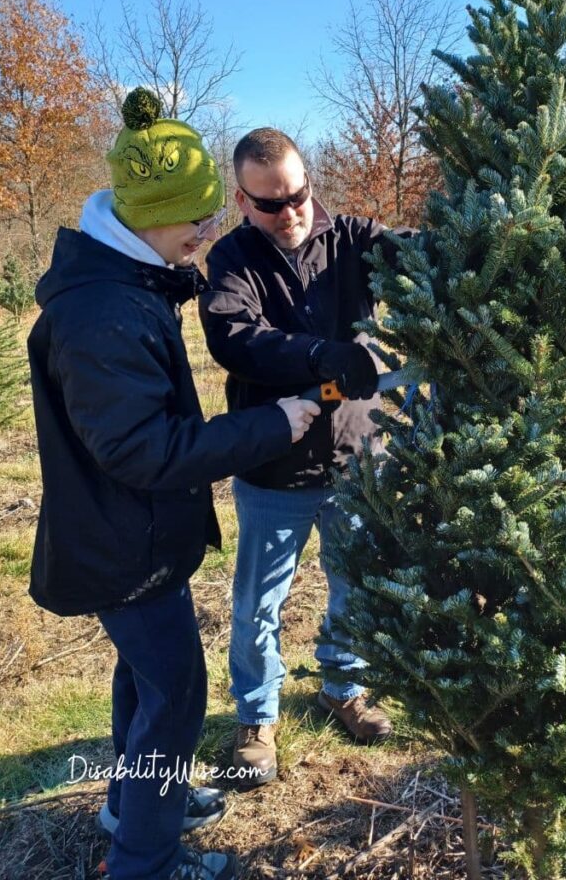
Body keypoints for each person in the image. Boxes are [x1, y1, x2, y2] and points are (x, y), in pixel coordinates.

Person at [28, 91, 320, 880]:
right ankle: (145, 862)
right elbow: (143, 448)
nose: (209, 232)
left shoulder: (126, 285)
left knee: (146, 681)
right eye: (197, 219)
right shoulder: (102, 316)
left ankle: (135, 801)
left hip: (134, 537)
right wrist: (275, 423)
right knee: (176, 700)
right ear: (150, 218)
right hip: (125, 546)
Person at [199, 128, 414, 787]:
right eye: (270, 203)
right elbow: (237, 337)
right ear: (242, 200)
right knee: (260, 602)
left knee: (354, 581)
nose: (290, 211)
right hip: (275, 469)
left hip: (359, 456)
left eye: (298, 194)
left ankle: (342, 686)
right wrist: (318, 356)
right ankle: (257, 716)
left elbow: (424, 259)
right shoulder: (230, 261)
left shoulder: (353, 238)